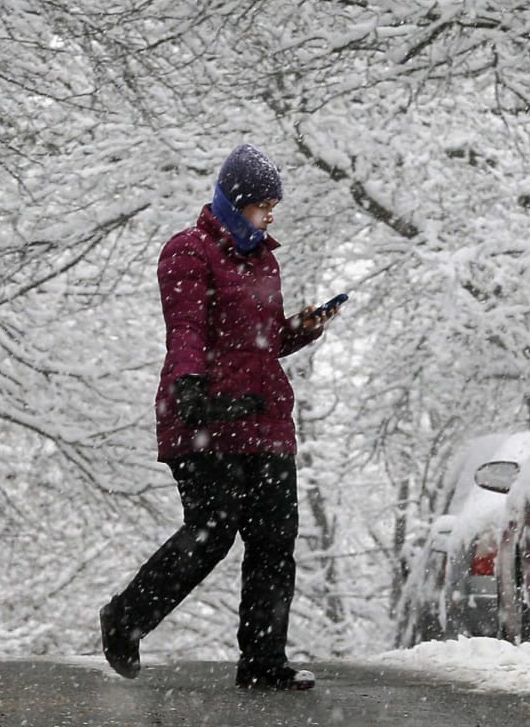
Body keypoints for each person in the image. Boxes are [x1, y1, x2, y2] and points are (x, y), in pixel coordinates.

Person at [99, 143, 340, 691]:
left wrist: (303, 328)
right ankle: (125, 619)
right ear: (236, 203)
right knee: (212, 532)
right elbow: (185, 328)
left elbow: (262, 343)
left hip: (266, 420)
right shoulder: (189, 251)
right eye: (263, 205)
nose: (270, 215)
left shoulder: (264, 259)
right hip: (207, 415)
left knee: (275, 540)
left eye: (273, 206)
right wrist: (188, 385)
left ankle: (263, 662)